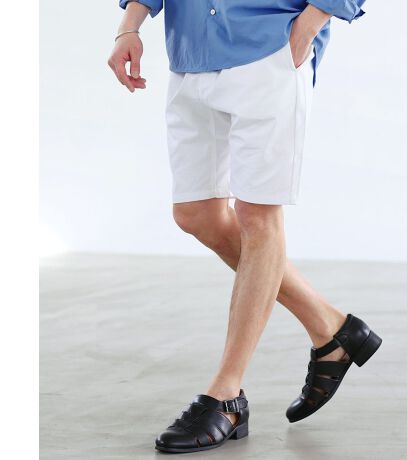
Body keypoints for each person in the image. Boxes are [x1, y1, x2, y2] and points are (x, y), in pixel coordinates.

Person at [108, 0, 382, 454]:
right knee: (195, 213)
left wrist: (307, 27)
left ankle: (227, 394)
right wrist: (129, 25)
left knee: (258, 216)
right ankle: (334, 329)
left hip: (267, 48)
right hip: (190, 52)